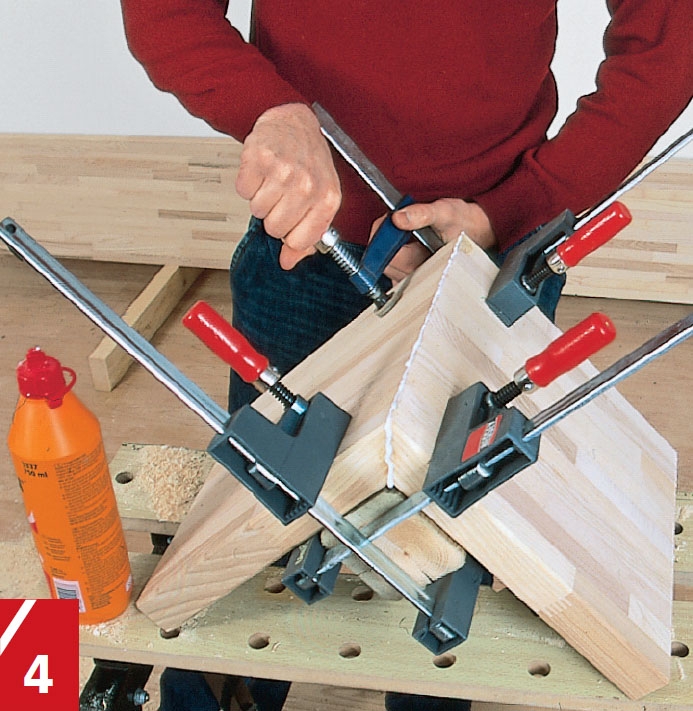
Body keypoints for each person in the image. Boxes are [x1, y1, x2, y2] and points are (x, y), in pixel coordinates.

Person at [119, 1, 692, 709]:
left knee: (451, 531)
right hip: (308, 238)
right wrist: (269, 109)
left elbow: (670, 41)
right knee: (258, 519)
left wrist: (518, 208)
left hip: (496, 254)